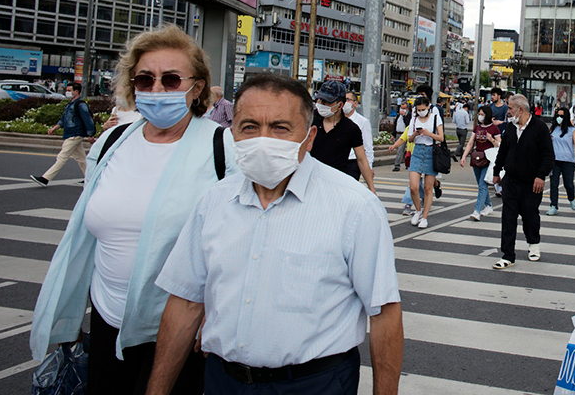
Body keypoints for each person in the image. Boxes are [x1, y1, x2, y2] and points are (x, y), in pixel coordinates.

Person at [145, 74, 403, 395]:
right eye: (249, 127)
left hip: (315, 384)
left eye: (280, 128)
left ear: (308, 139)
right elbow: (184, 303)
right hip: (222, 380)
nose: (263, 139)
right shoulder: (213, 202)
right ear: (232, 132)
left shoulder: (354, 207)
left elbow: (384, 314)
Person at [30, 24, 238, 395]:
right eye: (145, 80)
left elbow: (240, 242)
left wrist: (216, 313)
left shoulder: (223, 148)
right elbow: (83, 234)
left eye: (171, 80)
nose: (157, 90)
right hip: (108, 318)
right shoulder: (111, 142)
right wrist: (74, 305)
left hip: (184, 327)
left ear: (197, 87)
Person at [491, 95, 555, 269]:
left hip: (531, 182)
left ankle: (533, 244)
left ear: (521, 109)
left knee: (530, 215)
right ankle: (508, 255)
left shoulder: (540, 128)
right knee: (508, 217)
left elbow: (549, 156)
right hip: (510, 180)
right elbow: (503, 151)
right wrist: (496, 172)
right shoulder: (510, 128)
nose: (508, 111)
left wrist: (541, 176)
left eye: (510, 108)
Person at [309, 81, 376, 194]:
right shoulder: (310, 120)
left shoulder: (351, 129)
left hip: (336, 185)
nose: (320, 104)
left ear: (340, 105)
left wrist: (372, 189)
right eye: (319, 100)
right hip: (310, 180)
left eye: (326, 102)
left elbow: (361, 160)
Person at [30, 83, 96, 187]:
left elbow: (87, 119)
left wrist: (90, 134)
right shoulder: (70, 104)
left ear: (76, 91)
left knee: (62, 156)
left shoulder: (80, 104)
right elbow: (64, 119)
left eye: (70, 90)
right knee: (81, 158)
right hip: (71, 133)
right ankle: (90, 178)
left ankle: (45, 178)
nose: (67, 92)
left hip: (75, 133)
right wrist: (54, 128)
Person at [407, 96, 445, 229]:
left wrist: (428, 133)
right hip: (417, 151)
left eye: (423, 109)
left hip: (431, 152)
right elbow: (409, 139)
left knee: (428, 188)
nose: (421, 112)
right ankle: (417, 210)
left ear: (429, 107)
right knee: (414, 187)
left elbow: (441, 137)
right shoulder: (414, 119)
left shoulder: (435, 117)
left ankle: (424, 217)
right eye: (418, 110)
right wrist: (416, 134)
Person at [460, 105, 501, 221]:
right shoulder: (477, 127)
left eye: (482, 114)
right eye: (479, 114)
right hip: (477, 158)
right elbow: (471, 142)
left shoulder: (494, 129)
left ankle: (477, 210)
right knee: (481, 185)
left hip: (488, 159)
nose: (480, 116)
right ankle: (488, 206)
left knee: (483, 185)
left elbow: (499, 144)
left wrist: (491, 139)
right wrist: (464, 156)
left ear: (487, 115)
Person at [546, 107, 575, 216]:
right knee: (554, 183)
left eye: (562, 116)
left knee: (568, 184)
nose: (559, 118)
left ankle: (571, 198)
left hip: (568, 161)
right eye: (558, 116)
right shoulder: (553, 129)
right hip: (554, 161)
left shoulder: (572, 130)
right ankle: (553, 205)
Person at [343, 91, 375, 180]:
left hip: (353, 162)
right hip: (339, 160)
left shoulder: (362, 122)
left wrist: (369, 167)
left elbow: (368, 146)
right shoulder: (338, 120)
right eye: (343, 100)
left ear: (355, 103)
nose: (345, 102)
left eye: (348, 100)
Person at [392, 102, 409, 172]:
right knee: (400, 150)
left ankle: (397, 165)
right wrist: (393, 134)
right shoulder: (398, 115)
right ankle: (407, 162)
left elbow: (408, 124)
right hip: (398, 134)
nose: (402, 110)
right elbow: (395, 125)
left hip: (404, 135)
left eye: (404, 108)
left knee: (400, 150)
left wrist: (404, 116)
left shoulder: (409, 115)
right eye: (401, 108)